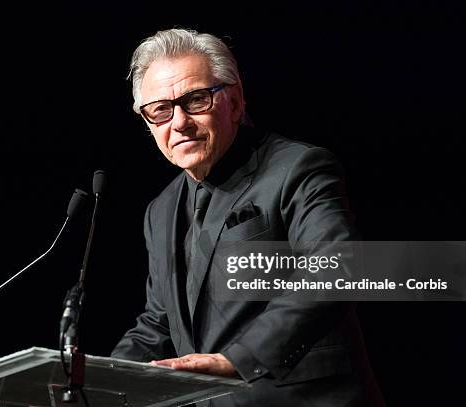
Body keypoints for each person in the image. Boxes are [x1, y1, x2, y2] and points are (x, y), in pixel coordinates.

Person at [111, 28, 384, 406]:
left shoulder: (296, 168)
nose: (179, 122)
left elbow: (338, 263)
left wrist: (238, 360)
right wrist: (95, 384)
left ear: (236, 103)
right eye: (160, 110)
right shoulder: (160, 209)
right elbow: (158, 324)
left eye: (196, 100)